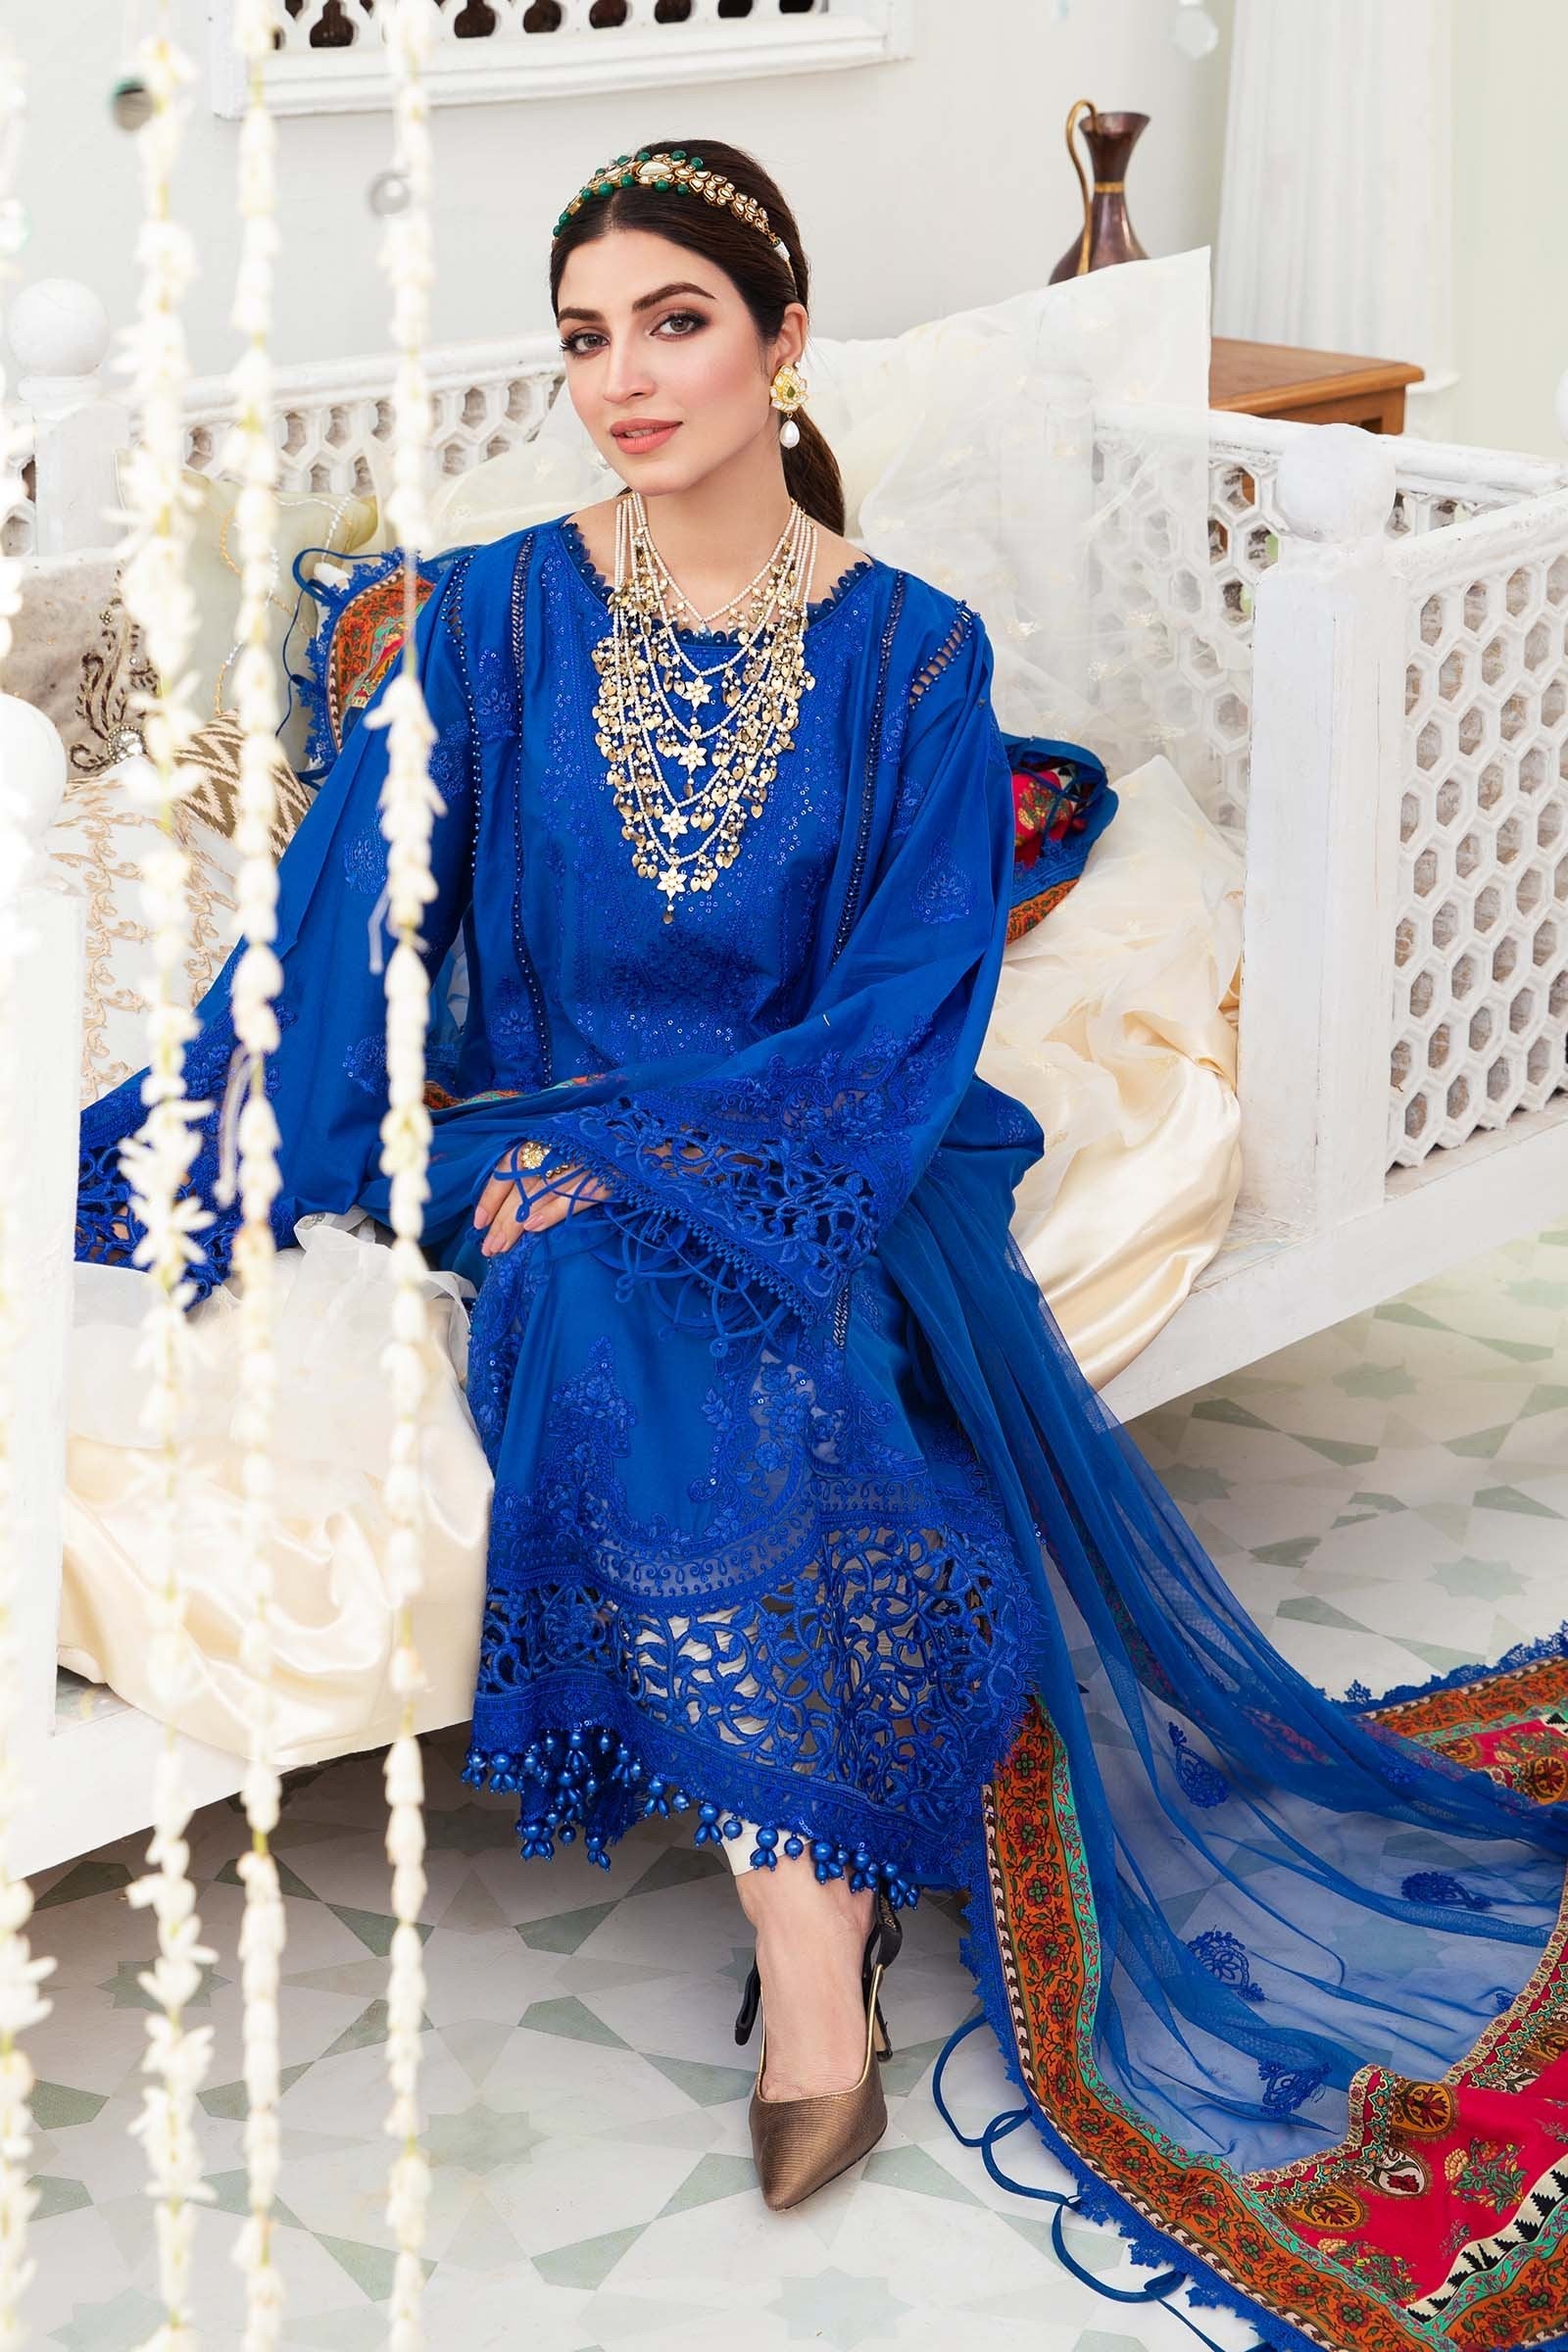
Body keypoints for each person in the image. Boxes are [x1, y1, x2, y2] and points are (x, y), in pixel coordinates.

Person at [76, 140, 1568, 2342]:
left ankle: (805, 1945)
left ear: (780, 343)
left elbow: (898, 1009)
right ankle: (818, 1935)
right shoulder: (485, 623)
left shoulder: (912, 661)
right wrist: (239, 1131)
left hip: (830, 1136)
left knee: (680, 1287)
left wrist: (686, 1159)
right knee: (579, 1248)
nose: (621, 378)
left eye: (673, 322)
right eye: (585, 338)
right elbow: (347, 931)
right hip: (534, 1130)